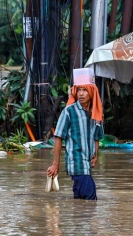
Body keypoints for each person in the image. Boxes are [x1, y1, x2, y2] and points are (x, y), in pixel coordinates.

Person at [47, 68, 104, 200]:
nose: (81, 94)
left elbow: (97, 137)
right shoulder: (69, 111)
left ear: (91, 92)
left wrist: (95, 155)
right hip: (77, 163)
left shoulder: (96, 113)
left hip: (87, 165)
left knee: (81, 204)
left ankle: (77, 220)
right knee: (91, 201)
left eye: (85, 90)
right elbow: (58, 137)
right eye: (79, 90)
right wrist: (56, 164)